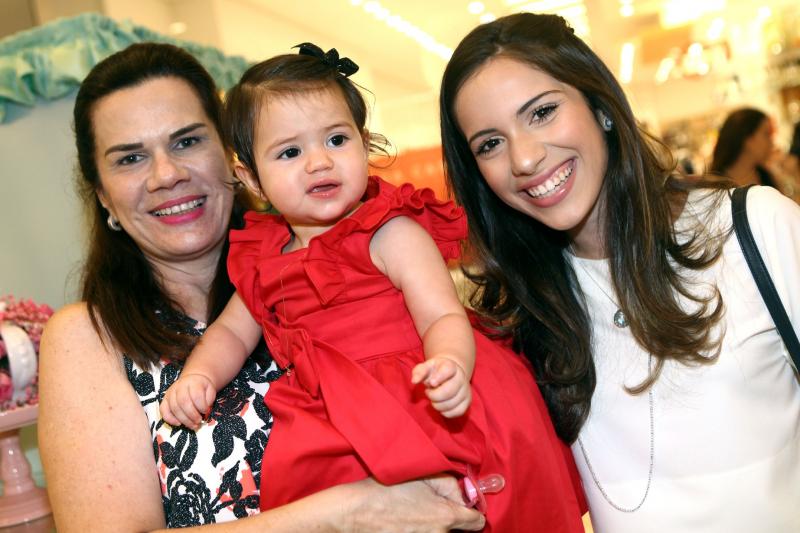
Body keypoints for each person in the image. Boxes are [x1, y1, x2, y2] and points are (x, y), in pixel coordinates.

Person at [37, 41, 486, 532]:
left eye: (187, 141)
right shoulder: (88, 337)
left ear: (232, 159)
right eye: (130, 159)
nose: (167, 175)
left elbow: (447, 342)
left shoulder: (359, 261)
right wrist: (344, 515)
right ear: (102, 194)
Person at [159, 43, 586, 532]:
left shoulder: (390, 231)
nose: (319, 162)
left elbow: (442, 313)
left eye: (336, 140)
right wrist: (200, 376)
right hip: (334, 413)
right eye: (291, 152)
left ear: (364, 145)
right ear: (251, 177)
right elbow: (232, 333)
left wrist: (451, 363)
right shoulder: (264, 259)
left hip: (419, 391)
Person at [440, 12, 800, 533]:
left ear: (601, 107)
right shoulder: (521, 312)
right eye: (490, 144)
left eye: (542, 112)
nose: (525, 158)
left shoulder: (754, 229)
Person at [709, 107, 780, 188]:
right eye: (766, 134)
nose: (771, 142)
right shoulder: (717, 184)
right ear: (747, 138)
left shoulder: (765, 175)